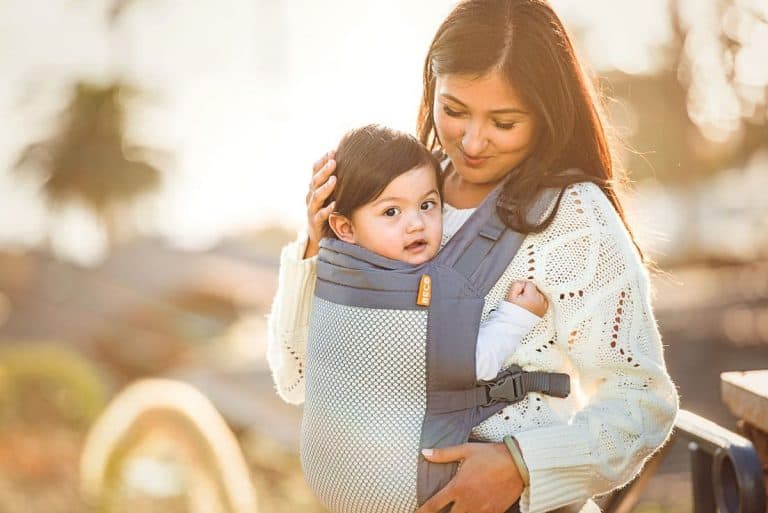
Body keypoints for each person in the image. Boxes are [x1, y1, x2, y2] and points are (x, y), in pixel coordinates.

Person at [266, 1, 679, 513]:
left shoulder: (573, 220)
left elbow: (642, 401)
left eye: (504, 122)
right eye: (454, 111)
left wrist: (522, 464)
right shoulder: (395, 202)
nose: (473, 141)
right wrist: (314, 252)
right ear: (431, 88)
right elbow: (295, 378)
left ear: (546, 114)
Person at [322, 123, 548, 384]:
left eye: (427, 205)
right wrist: (514, 318)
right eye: (391, 212)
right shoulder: (387, 295)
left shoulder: (340, 276)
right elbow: (471, 365)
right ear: (345, 228)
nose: (417, 223)